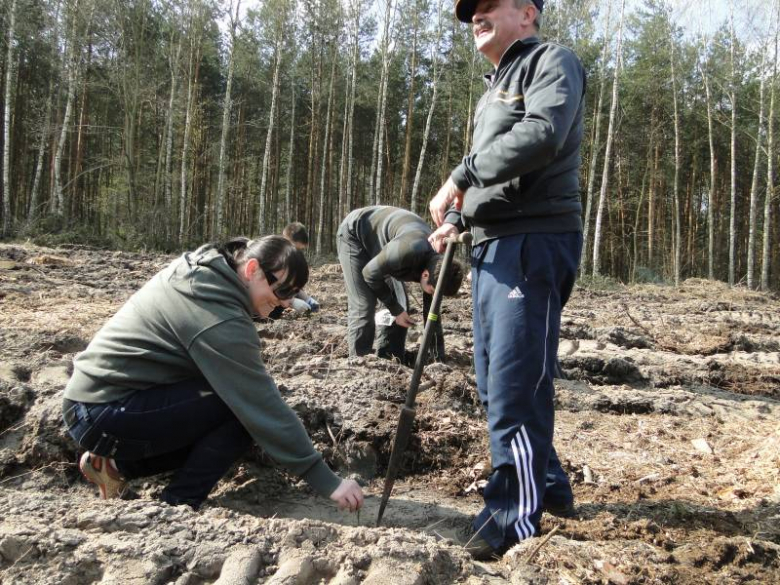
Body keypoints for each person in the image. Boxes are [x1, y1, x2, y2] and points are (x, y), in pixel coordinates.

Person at [428, 0, 585, 559]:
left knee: (516, 383)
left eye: (490, 5)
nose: (477, 15)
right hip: (492, 245)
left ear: (527, 12)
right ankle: (549, 486)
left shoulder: (550, 62)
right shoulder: (493, 89)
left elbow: (542, 136)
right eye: (471, 10)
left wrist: (460, 175)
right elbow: (485, 171)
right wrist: (453, 218)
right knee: (497, 381)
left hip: (533, 240)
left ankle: (510, 517)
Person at [62, 235, 363, 513]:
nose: (285, 302)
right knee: (241, 412)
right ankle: (179, 505)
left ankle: (113, 467)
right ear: (253, 269)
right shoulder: (218, 313)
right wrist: (327, 481)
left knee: (223, 401)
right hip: (102, 411)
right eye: (282, 290)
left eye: (294, 294)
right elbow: (259, 402)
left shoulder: (208, 271)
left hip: (99, 403)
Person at [337, 205, 464, 364]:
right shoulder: (406, 252)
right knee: (364, 304)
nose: (432, 294)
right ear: (425, 275)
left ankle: (390, 358)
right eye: (432, 291)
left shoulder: (436, 264)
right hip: (355, 234)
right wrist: (395, 310)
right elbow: (369, 274)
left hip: (388, 247)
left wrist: (439, 357)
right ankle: (358, 363)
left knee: (400, 303)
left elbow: (432, 313)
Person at [269, 222, 319, 317]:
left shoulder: (290, 260)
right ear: (286, 239)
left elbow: (289, 286)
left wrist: (307, 299)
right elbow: (267, 285)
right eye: (295, 248)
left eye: (300, 250)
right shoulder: (271, 255)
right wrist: (291, 301)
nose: (297, 253)